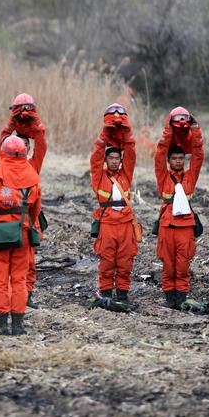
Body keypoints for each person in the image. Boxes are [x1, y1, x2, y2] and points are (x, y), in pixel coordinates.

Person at [0, 135, 41, 336]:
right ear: (24, 152)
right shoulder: (32, 178)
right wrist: (30, 229)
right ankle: (18, 325)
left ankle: (1, 326)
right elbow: (35, 212)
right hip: (23, 234)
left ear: (3, 152)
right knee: (19, 280)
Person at [0, 93, 47, 308]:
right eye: (18, 144)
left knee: (30, 261)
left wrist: (37, 123)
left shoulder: (33, 165)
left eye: (26, 144)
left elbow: (42, 144)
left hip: (29, 219)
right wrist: (10, 124)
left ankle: (27, 294)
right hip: (8, 218)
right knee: (5, 260)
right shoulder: (3, 165)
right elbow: (1, 144)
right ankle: (7, 293)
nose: (22, 148)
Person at [153, 107, 203, 309]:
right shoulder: (163, 176)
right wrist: (168, 130)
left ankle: (181, 300)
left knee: (183, 265)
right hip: (167, 225)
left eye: (181, 158)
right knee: (168, 265)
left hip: (186, 227)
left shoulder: (190, 176)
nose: (178, 161)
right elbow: (159, 154)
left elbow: (198, 155)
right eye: (174, 159)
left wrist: (195, 129)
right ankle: (169, 300)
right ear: (169, 161)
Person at [91, 103, 138, 304]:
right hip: (108, 223)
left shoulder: (125, 174)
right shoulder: (99, 176)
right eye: (110, 158)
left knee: (125, 260)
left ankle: (123, 294)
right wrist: (104, 133)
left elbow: (131, 153)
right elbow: (95, 157)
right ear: (106, 160)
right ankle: (106, 294)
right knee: (107, 260)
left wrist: (126, 133)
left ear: (120, 160)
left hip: (125, 223)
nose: (114, 161)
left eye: (117, 158)